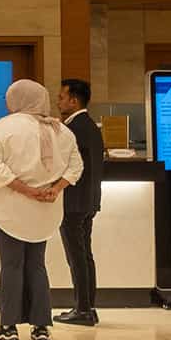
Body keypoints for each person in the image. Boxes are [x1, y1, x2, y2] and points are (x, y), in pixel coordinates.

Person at [0, 80, 83, 340]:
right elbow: (76, 167)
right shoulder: (61, 130)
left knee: (11, 264)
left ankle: (8, 326)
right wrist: (55, 189)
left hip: (10, 209)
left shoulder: (3, 127)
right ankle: (40, 327)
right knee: (37, 265)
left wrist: (26, 190)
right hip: (45, 210)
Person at [55, 78, 104, 326]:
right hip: (90, 199)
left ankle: (82, 309)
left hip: (73, 202)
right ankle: (89, 307)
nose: (58, 101)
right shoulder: (91, 126)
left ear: (74, 101)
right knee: (85, 255)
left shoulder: (72, 129)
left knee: (76, 257)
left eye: (61, 97)